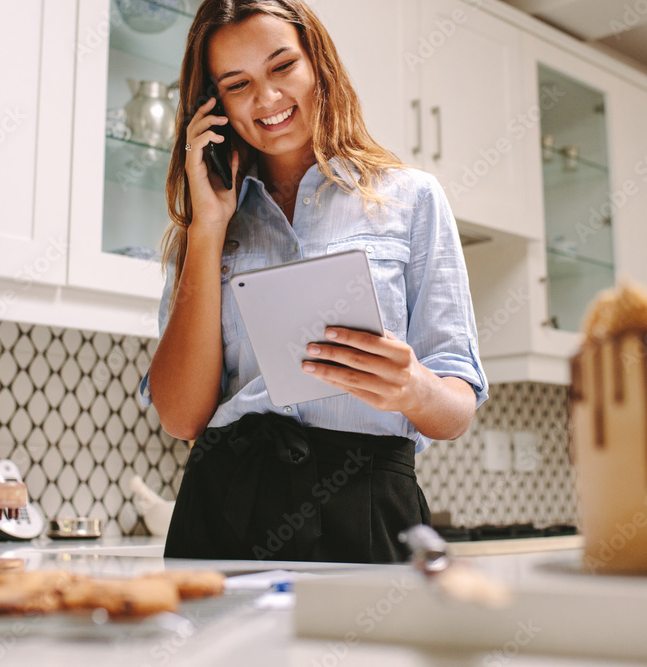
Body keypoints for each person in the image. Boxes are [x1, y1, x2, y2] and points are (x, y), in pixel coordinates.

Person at [138, 0, 488, 563]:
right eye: (237, 83)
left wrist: (412, 387)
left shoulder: (413, 200)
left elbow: (456, 410)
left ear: (317, 64)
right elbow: (181, 418)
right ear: (213, 104)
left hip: (368, 501)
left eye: (282, 67)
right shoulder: (208, 224)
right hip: (227, 502)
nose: (267, 98)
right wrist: (207, 228)